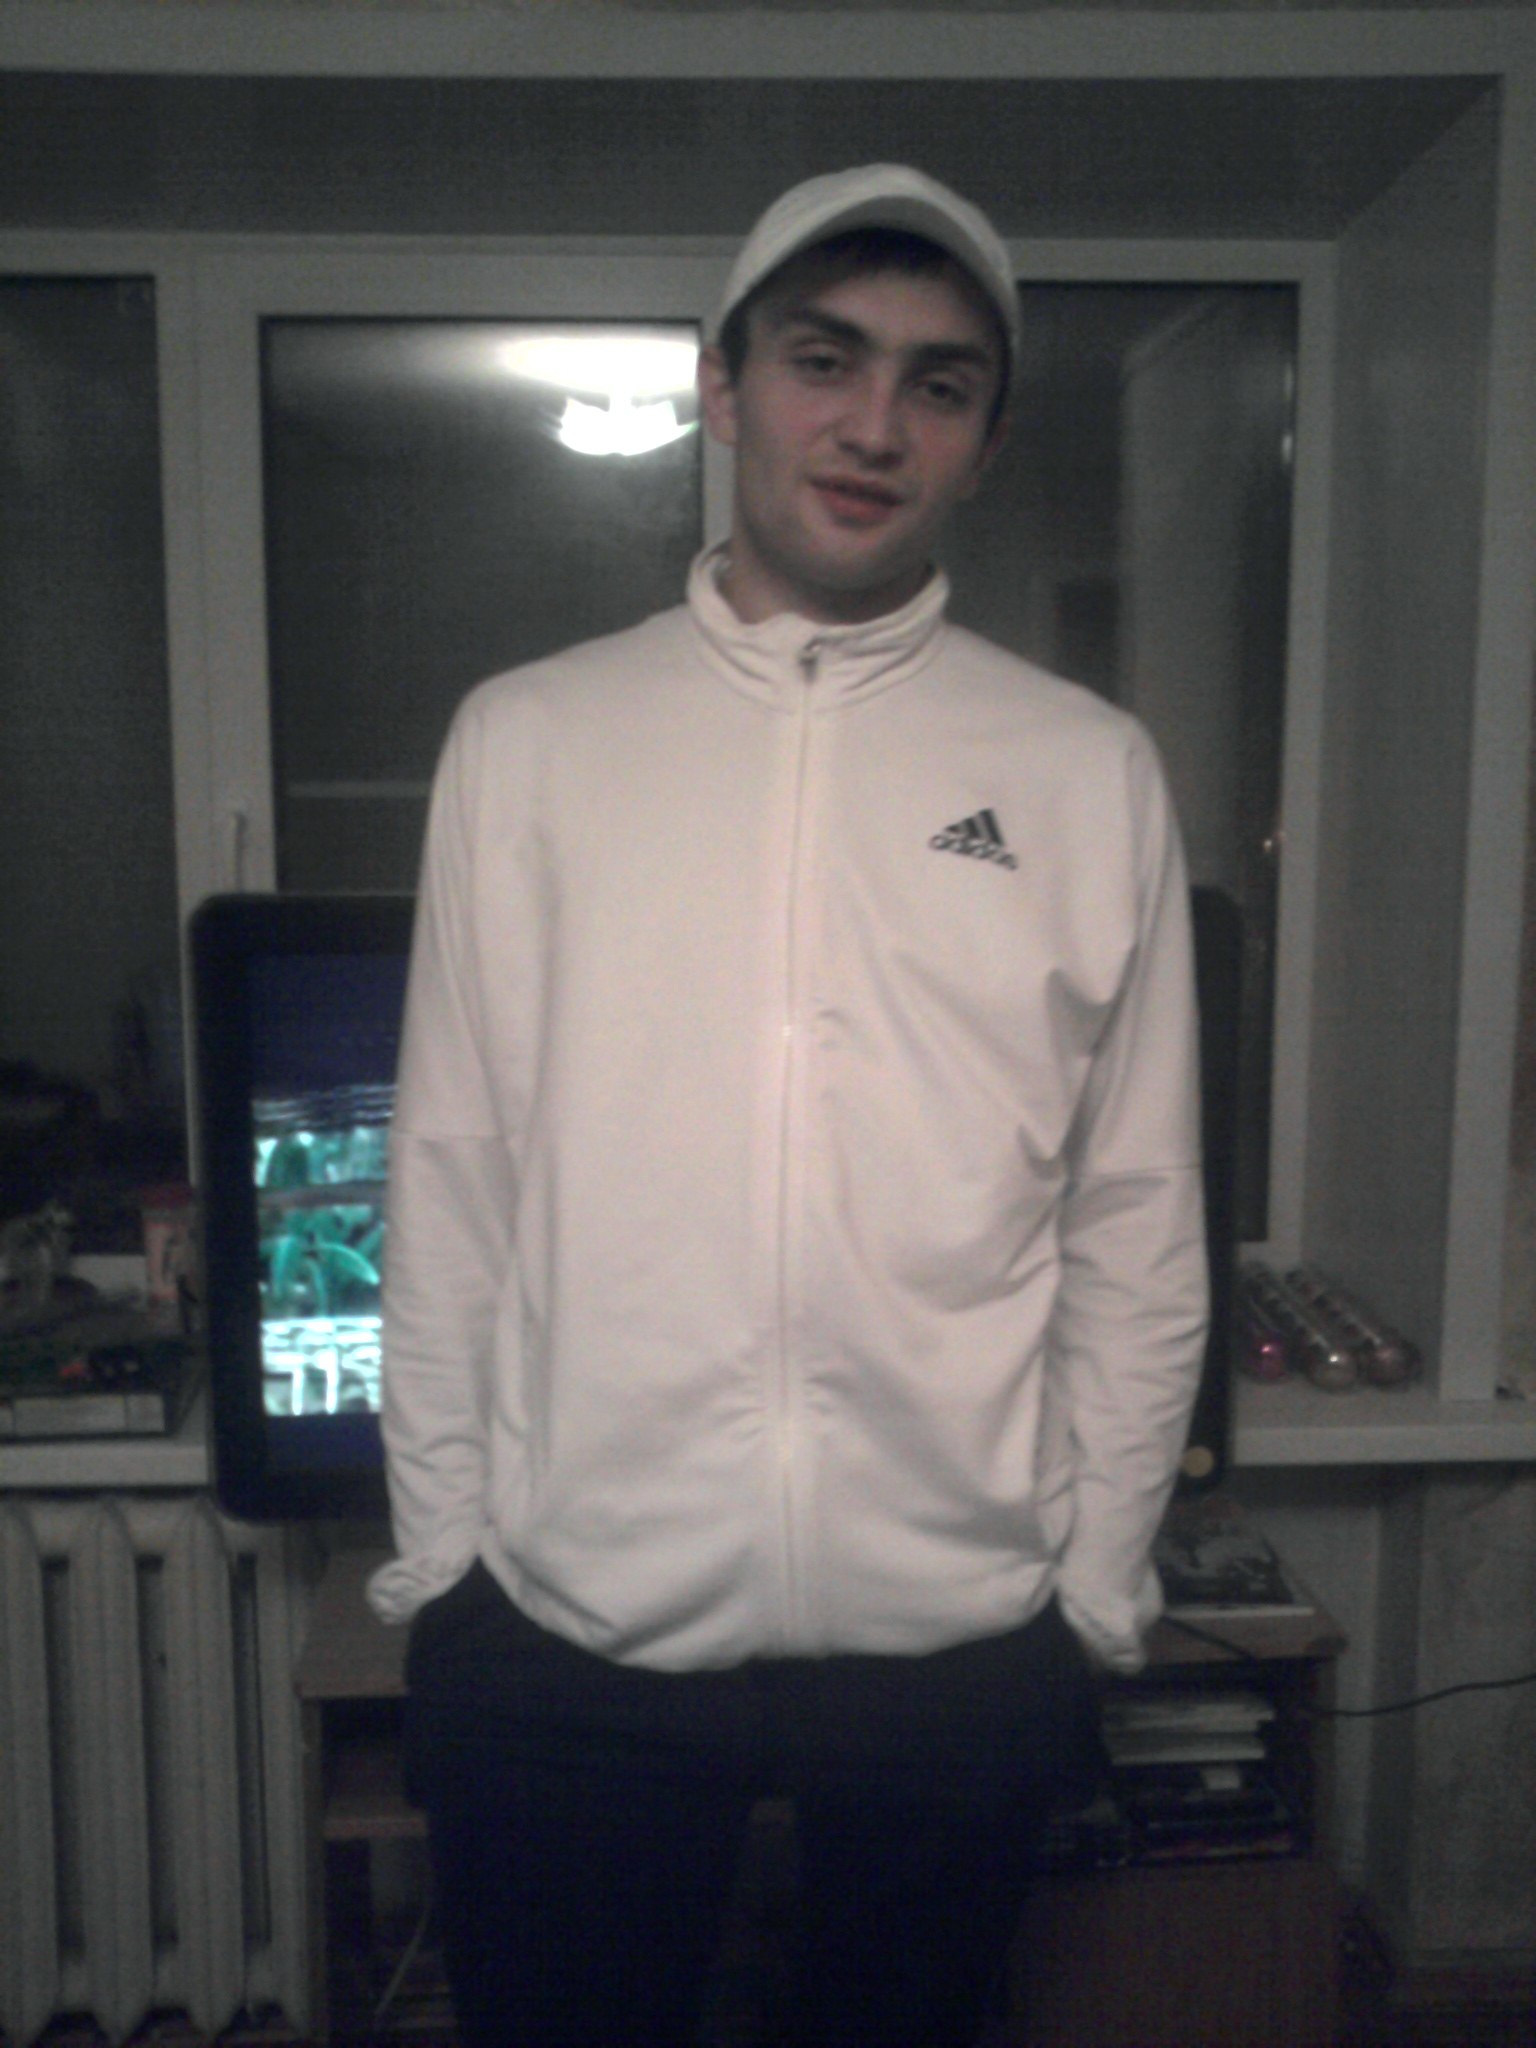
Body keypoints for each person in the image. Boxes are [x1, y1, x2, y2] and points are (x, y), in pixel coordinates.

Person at [369, 163, 1209, 2048]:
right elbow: (452, 1172)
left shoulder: (1083, 771)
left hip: (959, 1646)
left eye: (938, 383)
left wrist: (1092, 1587)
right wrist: (447, 1561)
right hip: (572, 1627)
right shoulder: (534, 737)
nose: (873, 424)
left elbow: (1138, 1211)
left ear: (985, 441)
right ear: (724, 386)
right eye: (825, 360)